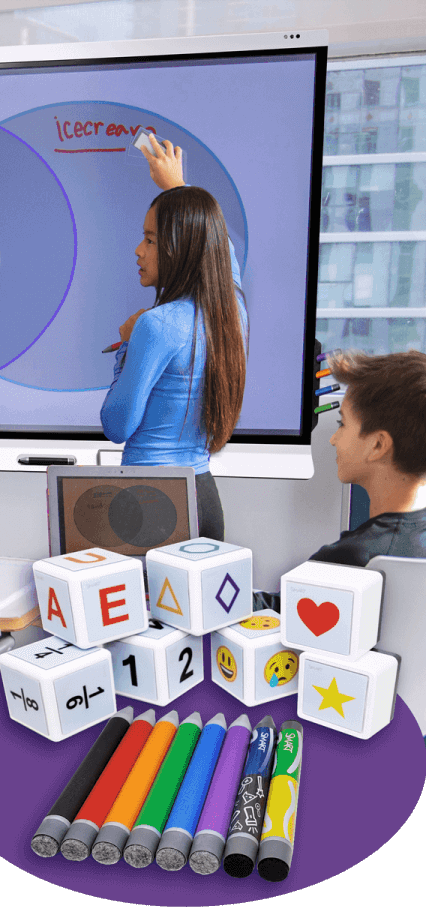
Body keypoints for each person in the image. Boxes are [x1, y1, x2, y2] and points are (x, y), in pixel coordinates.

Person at [100, 136, 248, 543]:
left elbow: (116, 424)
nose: (138, 250)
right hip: (204, 497)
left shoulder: (156, 325)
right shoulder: (232, 311)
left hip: (152, 502)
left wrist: (128, 345)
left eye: (150, 239)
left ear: (178, 247)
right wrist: (176, 189)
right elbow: (219, 248)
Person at [253, 350, 426, 611]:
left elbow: (274, 610)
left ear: (378, 445)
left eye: (342, 424)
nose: (333, 439)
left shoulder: (351, 558)